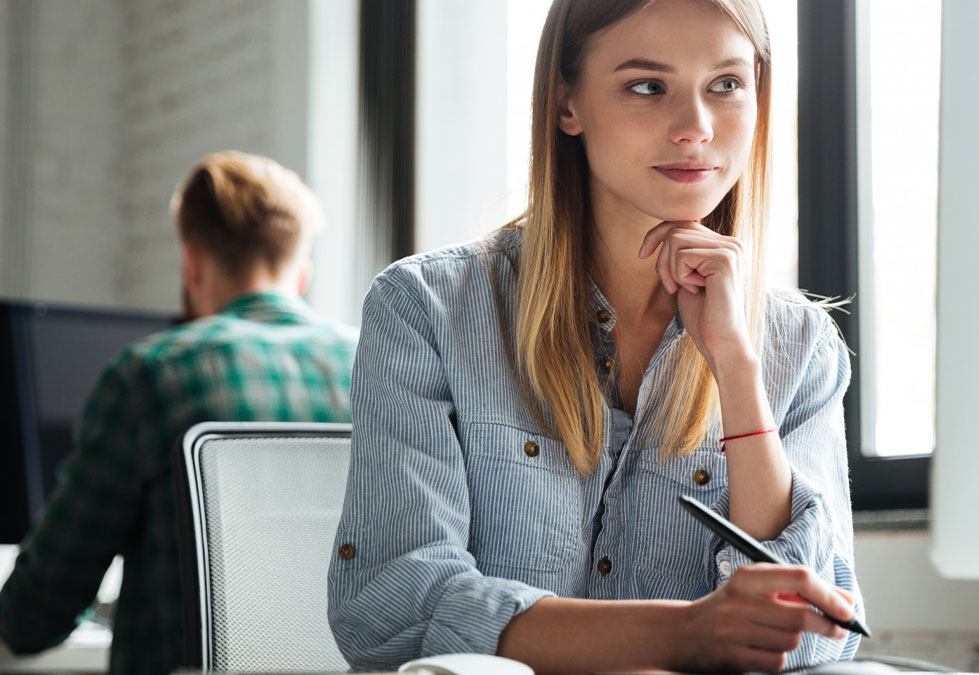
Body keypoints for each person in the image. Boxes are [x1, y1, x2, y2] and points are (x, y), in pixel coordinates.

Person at [328, 0, 862, 672]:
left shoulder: (799, 345)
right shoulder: (427, 311)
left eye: (726, 85)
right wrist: (685, 632)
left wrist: (735, 366)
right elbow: (391, 609)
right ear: (566, 105)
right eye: (647, 86)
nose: (695, 128)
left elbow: (820, 630)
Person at [0, 151, 357, 675]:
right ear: (301, 273)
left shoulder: (153, 375)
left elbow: (35, 614)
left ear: (192, 262)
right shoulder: (379, 365)